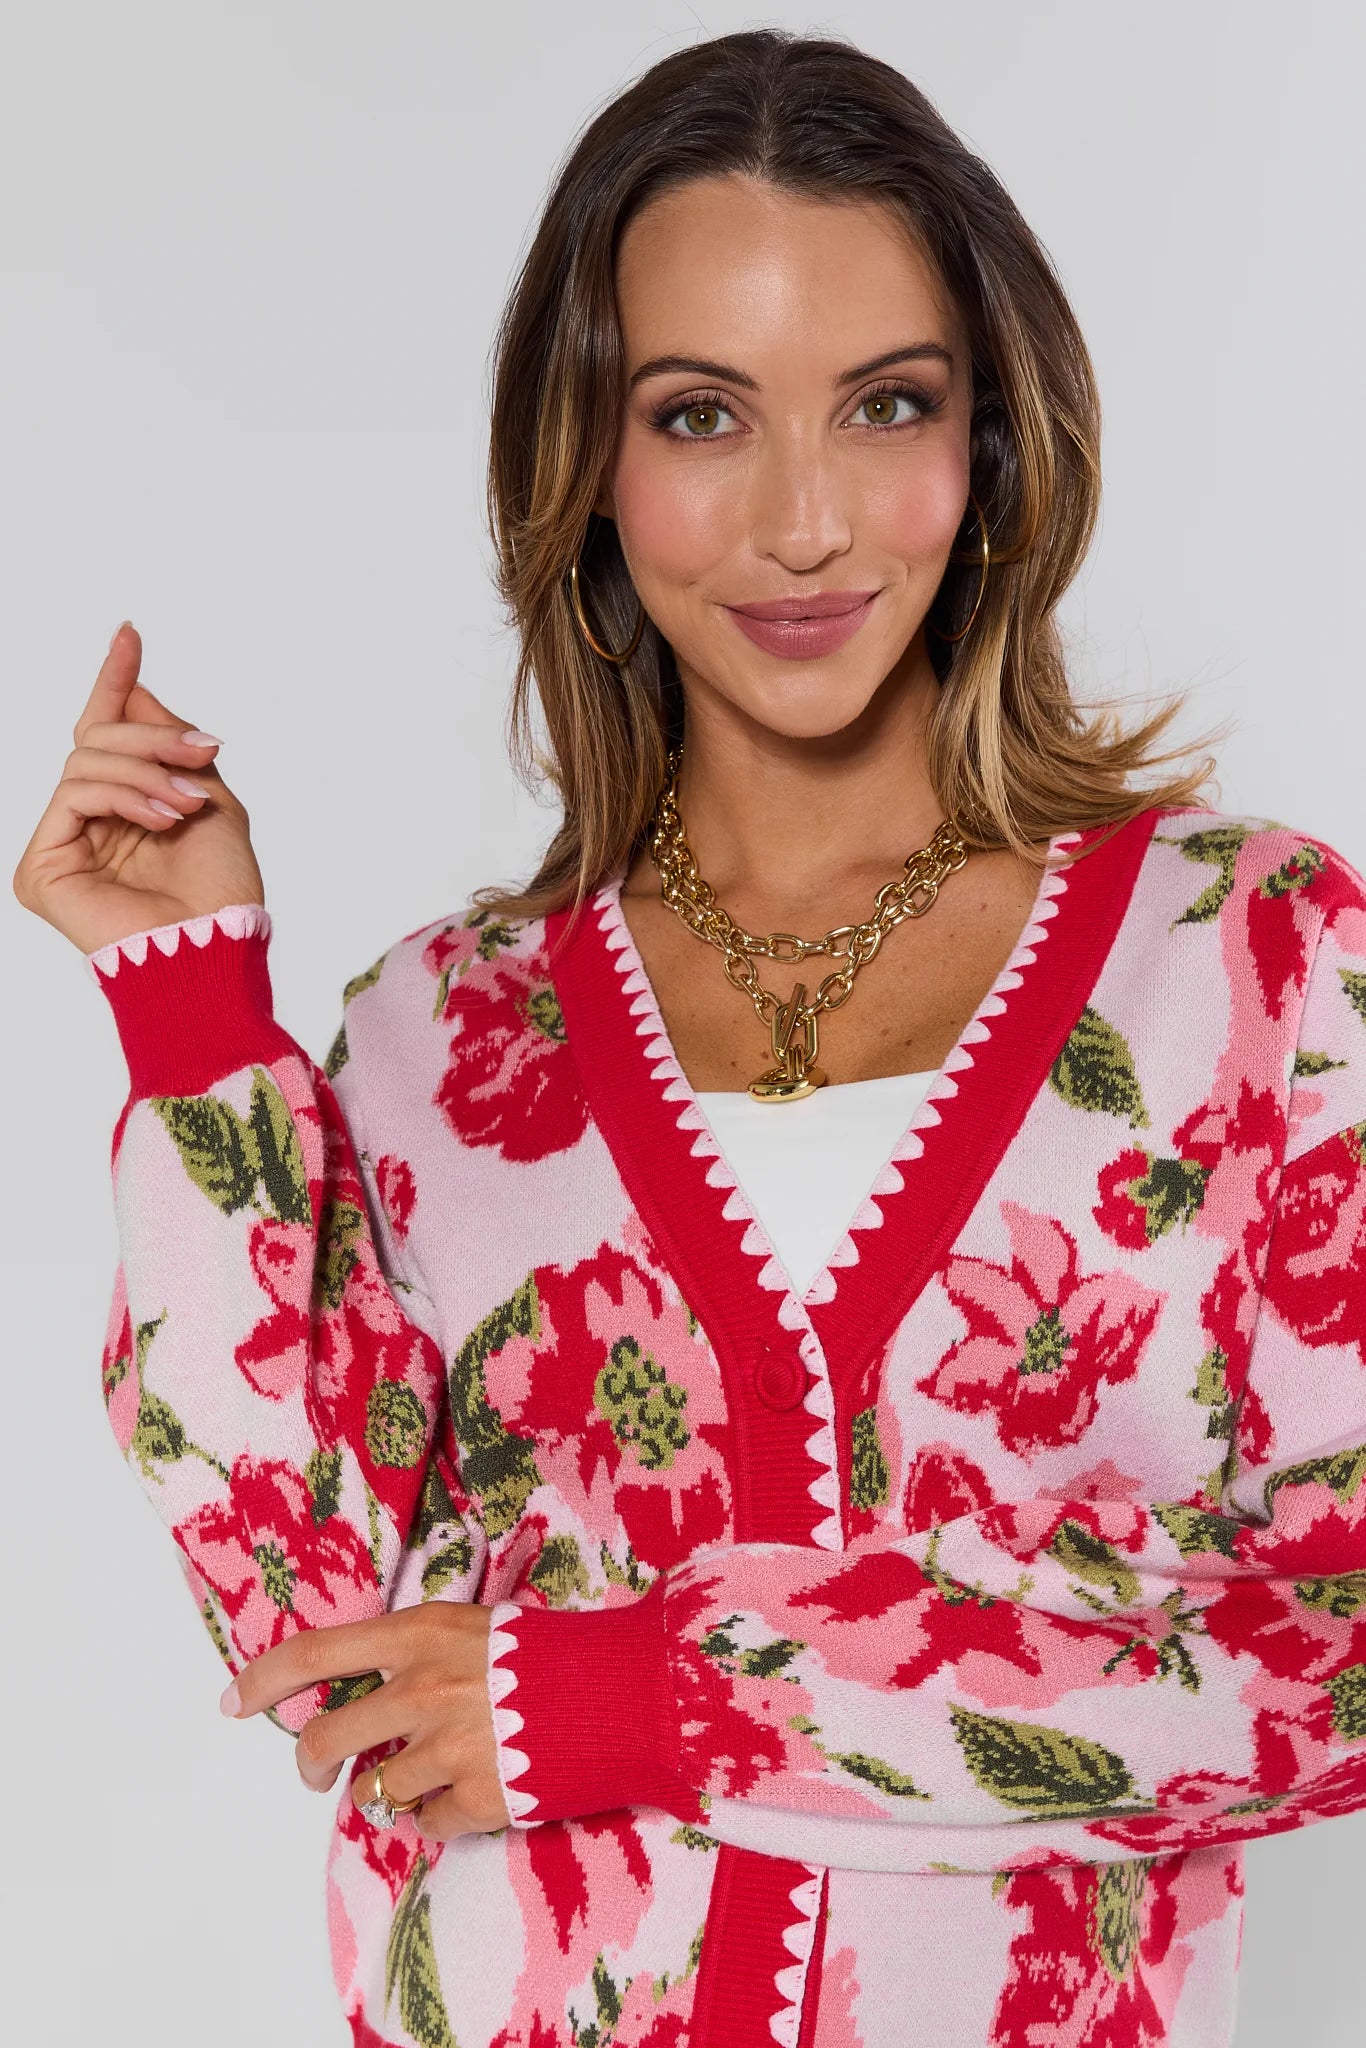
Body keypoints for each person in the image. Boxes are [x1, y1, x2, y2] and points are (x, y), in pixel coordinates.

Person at [14, 26, 1366, 2048]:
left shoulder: (1245, 959)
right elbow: (311, 1624)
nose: (804, 523)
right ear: (585, 468)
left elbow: (1327, 1656)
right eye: (702, 414)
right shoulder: (437, 1036)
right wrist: (197, 1009)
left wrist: (658, 1691)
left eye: (883, 405)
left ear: (983, 447)